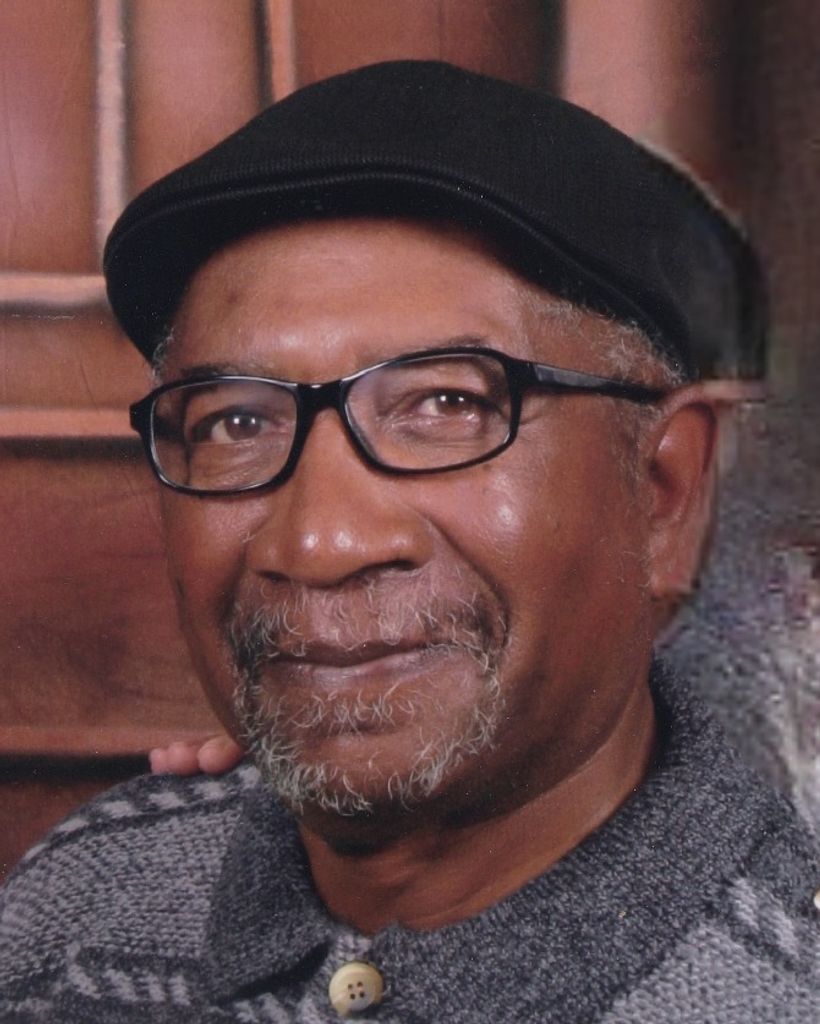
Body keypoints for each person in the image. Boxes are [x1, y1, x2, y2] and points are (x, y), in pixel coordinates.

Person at [1, 61, 817, 1023]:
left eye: (447, 405)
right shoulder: (75, 912)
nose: (322, 540)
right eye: (236, 422)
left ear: (663, 494)